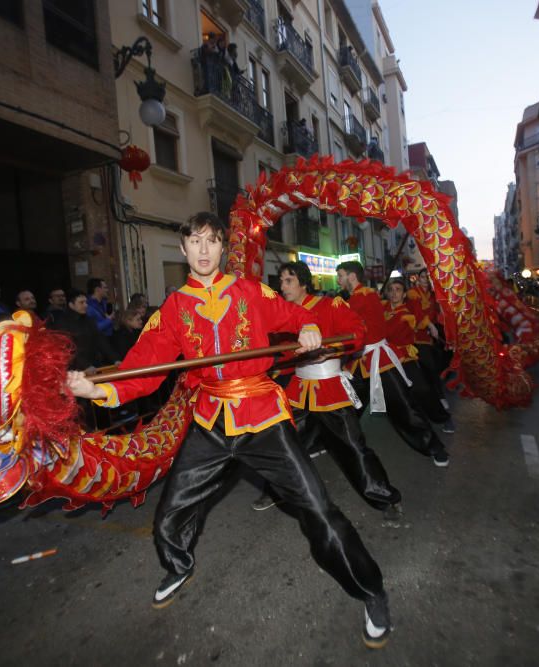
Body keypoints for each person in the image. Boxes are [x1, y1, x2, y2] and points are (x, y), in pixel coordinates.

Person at [67, 212, 391, 649]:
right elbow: (141, 368)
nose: (203, 250)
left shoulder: (252, 291)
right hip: (210, 423)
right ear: (182, 250)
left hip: (263, 418)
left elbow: (294, 315)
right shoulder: (173, 310)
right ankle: (179, 565)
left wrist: (309, 326)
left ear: (223, 248)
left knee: (318, 509)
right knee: (170, 513)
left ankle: (370, 590)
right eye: (194, 241)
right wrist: (98, 388)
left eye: (211, 241)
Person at [252, 261, 403, 524]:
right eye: (281, 281)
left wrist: (335, 349)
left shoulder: (329, 305)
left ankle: (383, 496)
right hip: (299, 391)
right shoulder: (282, 314)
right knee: (283, 443)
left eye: (288, 280)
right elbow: (278, 349)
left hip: (330, 389)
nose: (283, 286)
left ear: (303, 282)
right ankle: (277, 490)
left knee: (353, 447)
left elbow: (357, 332)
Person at [336, 261, 450, 468]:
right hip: (360, 362)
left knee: (404, 406)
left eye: (341, 275)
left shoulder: (365, 296)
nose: (338, 279)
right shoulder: (365, 298)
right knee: (346, 405)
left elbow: (348, 323)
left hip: (380, 360)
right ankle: (332, 441)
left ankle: (434, 446)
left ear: (351, 277)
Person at [384, 278, 453, 430]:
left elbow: (420, 318)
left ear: (403, 295)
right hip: (385, 359)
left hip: (405, 357)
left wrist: (431, 326)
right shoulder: (383, 309)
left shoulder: (407, 313)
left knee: (422, 389)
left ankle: (442, 417)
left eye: (398, 290)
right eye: (391, 289)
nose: (394, 293)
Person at [53, 289, 119, 372]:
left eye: (86, 302)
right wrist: (85, 366)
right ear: (71, 305)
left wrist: (115, 359)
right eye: (81, 303)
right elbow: (69, 349)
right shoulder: (62, 323)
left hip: (93, 365)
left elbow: (101, 340)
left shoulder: (88, 320)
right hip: (75, 369)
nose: (86, 305)